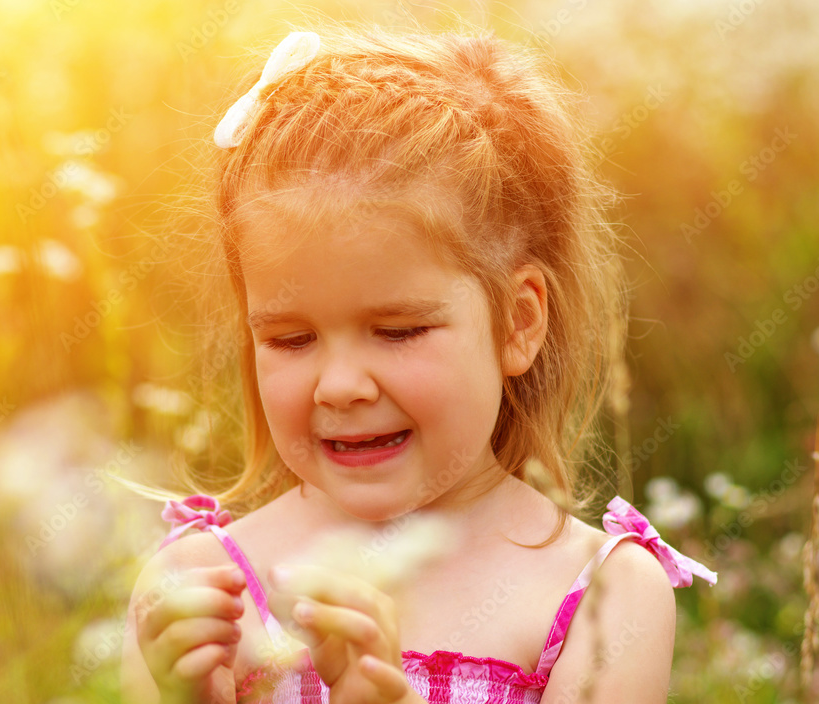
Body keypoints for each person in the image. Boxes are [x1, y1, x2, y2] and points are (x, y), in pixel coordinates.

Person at [121, 23, 716, 704]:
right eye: (290, 338)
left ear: (518, 322)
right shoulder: (202, 593)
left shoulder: (602, 595)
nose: (340, 386)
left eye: (398, 331)